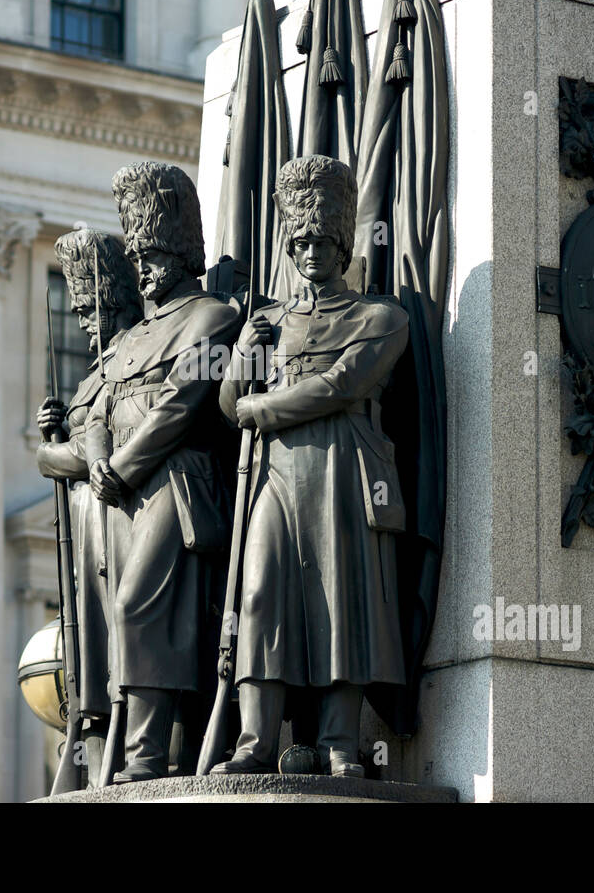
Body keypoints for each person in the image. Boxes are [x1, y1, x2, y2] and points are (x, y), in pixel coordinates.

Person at [212, 155, 410, 778]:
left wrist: (259, 406)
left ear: (343, 242)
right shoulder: (269, 322)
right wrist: (247, 350)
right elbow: (225, 404)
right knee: (261, 592)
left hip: (344, 473)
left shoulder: (380, 318)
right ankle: (255, 741)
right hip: (274, 477)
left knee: (341, 599)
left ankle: (339, 742)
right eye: (300, 241)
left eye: (323, 240)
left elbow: (339, 387)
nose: (311, 251)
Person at [85, 161, 240, 783]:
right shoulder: (126, 340)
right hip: (117, 491)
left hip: (176, 482)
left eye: (153, 254)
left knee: (137, 606)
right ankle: (133, 745)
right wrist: (99, 460)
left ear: (180, 252)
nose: (143, 269)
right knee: (118, 616)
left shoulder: (212, 316)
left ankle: (148, 752)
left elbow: (180, 404)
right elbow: (96, 408)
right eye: (137, 255)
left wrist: (120, 464)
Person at [35, 228, 143, 783]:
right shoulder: (90, 376)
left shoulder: (134, 357)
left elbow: (90, 448)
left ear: (121, 300)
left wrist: (50, 451)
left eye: (93, 307)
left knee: (123, 644)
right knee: (91, 657)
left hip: (117, 516)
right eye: (78, 309)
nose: (84, 321)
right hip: (86, 525)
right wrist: (57, 435)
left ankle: (135, 755)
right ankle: (95, 763)